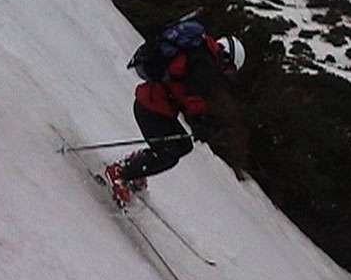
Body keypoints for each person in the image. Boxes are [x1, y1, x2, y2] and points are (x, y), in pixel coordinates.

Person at [105, 25, 247, 204]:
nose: (226, 73)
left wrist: (200, 122)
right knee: (168, 154)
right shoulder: (205, 64)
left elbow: (186, 89)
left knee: (184, 145)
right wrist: (198, 123)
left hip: (156, 105)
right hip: (151, 107)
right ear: (226, 58)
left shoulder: (200, 51)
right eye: (230, 69)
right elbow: (192, 97)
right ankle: (120, 172)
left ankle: (136, 168)